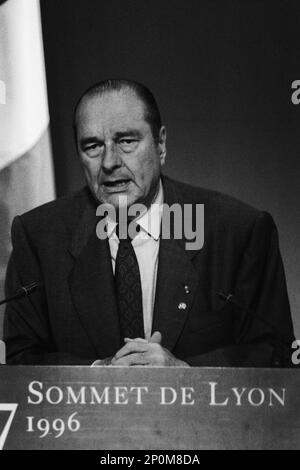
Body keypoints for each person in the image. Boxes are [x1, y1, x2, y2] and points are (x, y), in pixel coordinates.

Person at [3, 79, 295, 366]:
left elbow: (276, 355)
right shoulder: (39, 237)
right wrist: (98, 377)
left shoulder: (237, 231)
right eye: (92, 146)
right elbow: (21, 359)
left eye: (126, 141)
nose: (109, 162)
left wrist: (184, 375)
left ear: (161, 144)